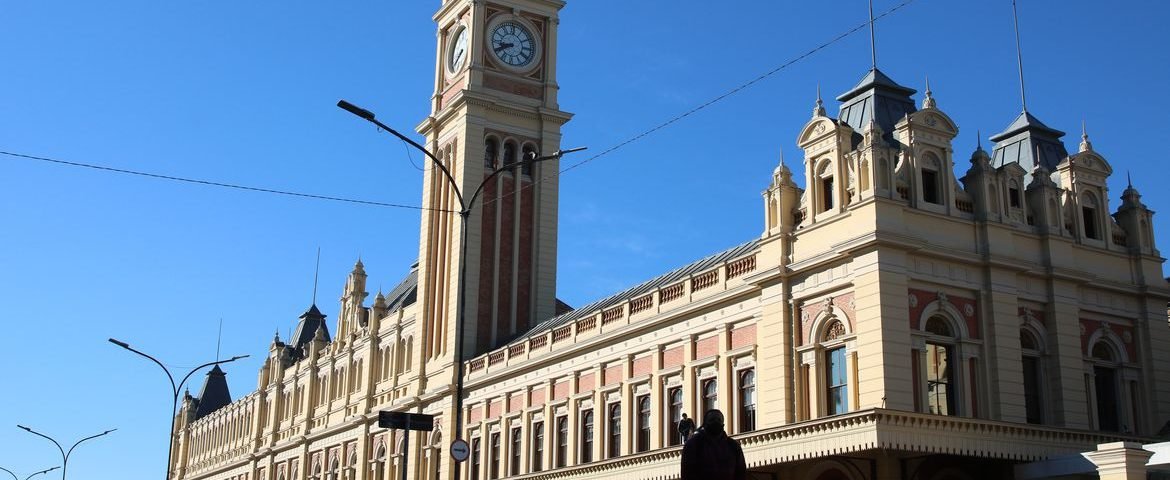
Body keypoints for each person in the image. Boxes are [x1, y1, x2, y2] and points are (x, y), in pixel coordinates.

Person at [680, 410, 747, 480]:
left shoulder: (733, 446)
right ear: (704, 424)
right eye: (712, 420)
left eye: (719, 420)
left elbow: (741, 473)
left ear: (723, 424)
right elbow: (687, 473)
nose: (716, 422)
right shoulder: (693, 444)